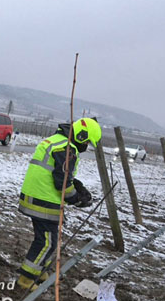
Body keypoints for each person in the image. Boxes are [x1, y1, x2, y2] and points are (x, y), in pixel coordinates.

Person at [16, 117, 101, 290]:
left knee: (50, 238)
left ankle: (41, 272)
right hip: (43, 200)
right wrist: (76, 198)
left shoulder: (58, 141)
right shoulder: (67, 148)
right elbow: (62, 183)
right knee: (47, 242)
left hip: (37, 195)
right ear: (82, 137)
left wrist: (74, 184)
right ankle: (26, 279)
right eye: (88, 143)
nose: (86, 148)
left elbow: (58, 173)